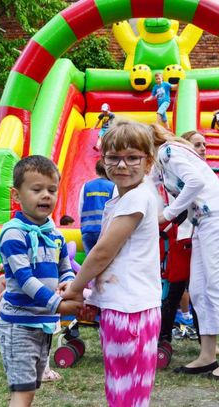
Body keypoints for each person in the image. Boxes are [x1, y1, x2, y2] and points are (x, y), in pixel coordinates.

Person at [61, 120, 162, 406]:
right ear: (103, 160)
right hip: (128, 307)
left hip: (130, 311)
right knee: (125, 388)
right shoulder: (124, 196)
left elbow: (103, 252)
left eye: (132, 158)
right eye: (113, 157)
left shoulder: (136, 198)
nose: (122, 165)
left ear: (148, 162)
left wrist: (76, 288)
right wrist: (92, 293)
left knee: (125, 391)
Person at [151, 124, 219, 380]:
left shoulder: (167, 152)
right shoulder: (160, 163)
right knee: (198, 290)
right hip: (204, 223)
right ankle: (207, 355)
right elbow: (148, 185)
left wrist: (168, 215)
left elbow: (195, 182)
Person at [0, 155, 82, 406]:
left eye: (51, 190)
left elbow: (65, 267)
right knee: (22, 391)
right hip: (19, 325)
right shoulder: (14, 233)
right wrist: (58, 305)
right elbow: (24, 279)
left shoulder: (54, 234)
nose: (46, 195)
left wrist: (69, 283)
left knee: (31, 389)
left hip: (43, 323)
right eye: (37, 190)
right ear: (16, 195)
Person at [78, 160, 115, 254]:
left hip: (88, 230)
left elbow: (80, 208)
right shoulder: (113, 187)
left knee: (90, 259)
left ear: (97, 171)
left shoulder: (86, 186)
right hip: (105, 231)